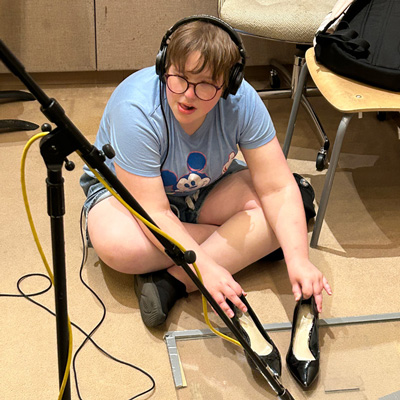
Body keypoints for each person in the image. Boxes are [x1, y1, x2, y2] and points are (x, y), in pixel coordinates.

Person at [80, 15, 332, 329]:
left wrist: (299, 260)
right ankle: (232, 249)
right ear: (164, 65)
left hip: (204, 186)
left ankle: (171, 282)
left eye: (205, 86)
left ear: (228, 84)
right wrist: (205, 268)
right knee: (117, 246)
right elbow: (154, 212)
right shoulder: (135, 111)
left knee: (284, 206)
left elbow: (278, 188)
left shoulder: (243, 102)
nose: (187, 95)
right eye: (179, 78)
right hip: (130, 197)